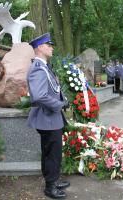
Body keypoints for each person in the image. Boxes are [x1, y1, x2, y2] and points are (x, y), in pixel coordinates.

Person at [27, 33, 70, 199]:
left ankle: (54, 180)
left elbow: (53, 89)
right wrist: (59, 105)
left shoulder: (44, 66)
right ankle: (50, 187)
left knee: (53, 153)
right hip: (48, 119)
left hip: (51, 119)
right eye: (48, 45)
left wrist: (63, 99)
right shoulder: (38, 68)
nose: (52, 48)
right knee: (51, 154)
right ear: (39, 48)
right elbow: (39, 96)